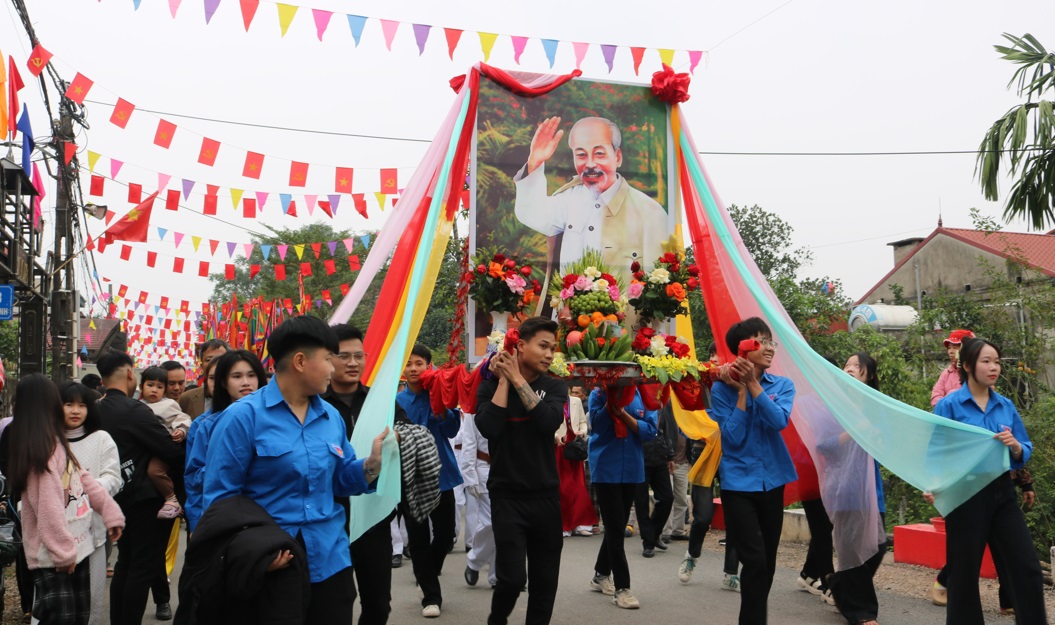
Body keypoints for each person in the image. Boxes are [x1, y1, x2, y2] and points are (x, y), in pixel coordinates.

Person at [202, 316, 387, 623]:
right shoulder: (242, 417)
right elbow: (221, 500)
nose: (333, 368)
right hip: (273, 562)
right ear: (300, 361)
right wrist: (250, 556)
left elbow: (340, 480)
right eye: (328, 359)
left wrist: (371, 466)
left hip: (330, 557)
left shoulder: (330, 417)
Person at [930, 337, 1047, 625]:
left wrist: (1015, 446)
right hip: (965, 492)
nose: (993, 367)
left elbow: (1024, 448)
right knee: (963, 572)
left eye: (996, 361)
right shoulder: (949, 406)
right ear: (968, 365)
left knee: (1026, 566)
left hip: (1002, 490)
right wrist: (933, 484)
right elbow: (935, 450)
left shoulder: (1005, 405)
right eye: (986, 361)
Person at [7, 374, 125, 625]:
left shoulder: (54, 443)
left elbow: (81, 479)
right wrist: (63, 554)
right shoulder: (41, 451)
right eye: (59, 400)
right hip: (56, 556)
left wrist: (109, 512)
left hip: (70, 550)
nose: (70, 409)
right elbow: (48, 507)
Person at [476, 316, 568, 625]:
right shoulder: (489, 384)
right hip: (506, 496)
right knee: (512, 579)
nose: (549, 354)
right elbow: (489, 428)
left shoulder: (555, 386)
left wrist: (517, 379)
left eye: (552, 348)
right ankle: (496, 619)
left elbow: (547, 423)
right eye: (543, 346)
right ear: (520, 346)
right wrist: (504, 378)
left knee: (544, 585)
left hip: (545, 497)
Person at [711, 317, 796, 625]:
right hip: (737, 484)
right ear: (743, 349)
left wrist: (752, 385)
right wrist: (743, 393)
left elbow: (778, 421)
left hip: (772, 482)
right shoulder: (721, 389)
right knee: (755, 560)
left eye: (771, 341)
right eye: (762, 341)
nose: (770, 348)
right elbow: (732, 438)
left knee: (767, 565)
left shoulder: (783, 385)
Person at [321, 323, 406, 625]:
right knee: (336, 601)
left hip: (373, 516)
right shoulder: (316, 406)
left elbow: (405, 435)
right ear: (327, 358)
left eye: (359, 355)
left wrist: (399, 437)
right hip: (330, 516)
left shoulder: (380, 402)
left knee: (378, 602)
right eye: (345, 356)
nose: (354, 363)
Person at [513, 116, 668, 281]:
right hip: (567, 306)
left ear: (618, 157)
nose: (590, 164)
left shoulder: (649, 212)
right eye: (581, 155)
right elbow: (531, 214)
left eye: (599, 153)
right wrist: (535, 162)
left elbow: (659, 282)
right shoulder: (568, 199)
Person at [97, 351, 185, 625]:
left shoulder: (95, 408)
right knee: (142, 567)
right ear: (129, 374)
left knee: (126, 562)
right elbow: (171, 450)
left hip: (114, 499)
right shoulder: (135, 411)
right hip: (144, 500)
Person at [397, 344, 463, 618]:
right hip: (410, 478)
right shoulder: (396, 401)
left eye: (419, 363)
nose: (414, 368)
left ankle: (428, 572)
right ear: (402, 369)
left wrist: (443, 411)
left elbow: (452, 430)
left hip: (442, 475)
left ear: (429, 365)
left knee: (446, 534)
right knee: (418, 537)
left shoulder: (439, 391)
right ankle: (430, 596)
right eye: (409, 364)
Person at [824, 353, 888, 625]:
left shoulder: (877, 408)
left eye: (856, 366)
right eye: (846, 365)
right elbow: (822, 445)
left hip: (871, 489)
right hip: (844, 489)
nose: (849, 369)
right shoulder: (832, 407)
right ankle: (862, 612)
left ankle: (839, 584)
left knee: (878, 546)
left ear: (869, 375)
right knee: (851, 551)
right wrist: (854, 431)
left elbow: (887, 445)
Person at [587, 384, 658, 610]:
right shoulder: (598, 393)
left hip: (632, 469)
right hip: (606, 468)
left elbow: (650, 431)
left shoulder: (642, 394)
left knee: (615, 526)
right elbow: (596, 426)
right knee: (616, 529)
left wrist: (623, 415)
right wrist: (611, 404)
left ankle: (600, 574)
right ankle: (622, 589)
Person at [61, 381, 124, 625]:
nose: (76, 410)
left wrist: (88, 488)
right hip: (56, 529)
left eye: (82, 405)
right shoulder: (49, 439)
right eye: (68, 404)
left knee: (91, 596)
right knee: (57, 599)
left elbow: (113, 477)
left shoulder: (101, 439)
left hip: (92, 530)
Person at [184, 351, 265, 532]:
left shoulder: (275, 421)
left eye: (251, 375)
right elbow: (194, 482)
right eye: (237, 376)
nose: (246, 382)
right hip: (226, 519)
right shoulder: (205, 426)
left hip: (267, 519)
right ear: (224, 382)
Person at [139, 366, 191, 519]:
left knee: (154, 471)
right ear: (141, 386)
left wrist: (181, 430)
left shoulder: (168, 404)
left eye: (159, 387)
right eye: (150, 385)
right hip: (145, 449)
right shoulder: (137, 405)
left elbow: (184, 418)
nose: (154, 390)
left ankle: (171, 499)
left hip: (163, 449)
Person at [634, 403, 675, 558]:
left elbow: (666, 432)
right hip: (640, 460)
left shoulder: (661, 405)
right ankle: (648, 543)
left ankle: (654, 533)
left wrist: (670, 455)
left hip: (659, 459)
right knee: (641, 502)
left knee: (667, 498)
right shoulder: (635, 401)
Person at [461, 410, 496, 589]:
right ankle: (475, 561)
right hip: (484, 467)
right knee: (491, 522)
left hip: (511, 469)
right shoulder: (473, 411)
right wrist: (470, 477)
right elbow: (468, 444)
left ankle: (497, 575)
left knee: (506, 524)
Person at [555, 391, 596, 537]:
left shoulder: (576, 401)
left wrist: (582, 432)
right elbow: (545, 422)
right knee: (563, 486)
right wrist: (555, 436)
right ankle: (563, 524)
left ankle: (581, 523)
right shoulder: (550, 399)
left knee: (578, 485)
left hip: (574, 446)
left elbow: (583, 422)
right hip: (558, 447)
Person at [179, 339, 229, 419]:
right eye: (209, 360)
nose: (214, 363)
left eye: (220, 359)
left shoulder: (240, 396)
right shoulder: (186, 398)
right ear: (201, 366)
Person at [931, 329, 974, 407]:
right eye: (949, 348)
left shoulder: (976, 373)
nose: (950, 351)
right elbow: (935, 397)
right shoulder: (946, 373)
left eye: (955, 347)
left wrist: (950, 396)